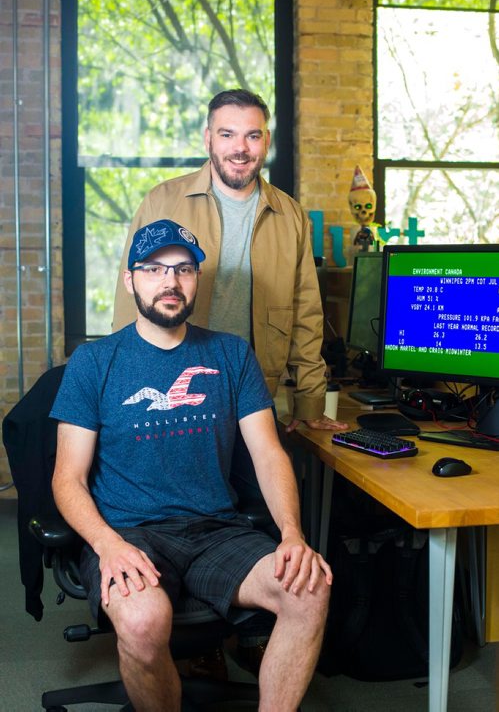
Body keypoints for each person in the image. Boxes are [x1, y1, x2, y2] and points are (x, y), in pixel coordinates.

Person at [50, 219, 332, 712]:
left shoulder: (230, 354)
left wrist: (292, 534)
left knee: (308, 590)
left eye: (183, 269)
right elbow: (66, 477)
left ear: (197, 280)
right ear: (130, 279)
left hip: (216, 529)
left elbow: (268, 453)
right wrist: (107, 545)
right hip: (128, 531)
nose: (170, 282)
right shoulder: (93, 363)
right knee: (141, 622)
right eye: (154, 269)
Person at [113, 88, 347, 676]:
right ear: (208, 138)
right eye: (227, 134)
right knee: (184, 512)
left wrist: (310, 396)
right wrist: (123, 393)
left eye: (252, 135)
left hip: (253, 389)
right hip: (181, 393)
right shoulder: (165, 201)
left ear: (265, 141)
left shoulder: (287, 212)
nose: (239, 148)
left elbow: (305, 310)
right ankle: (198, 651)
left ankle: (251, 630)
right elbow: (134, 299)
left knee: (252, 512)